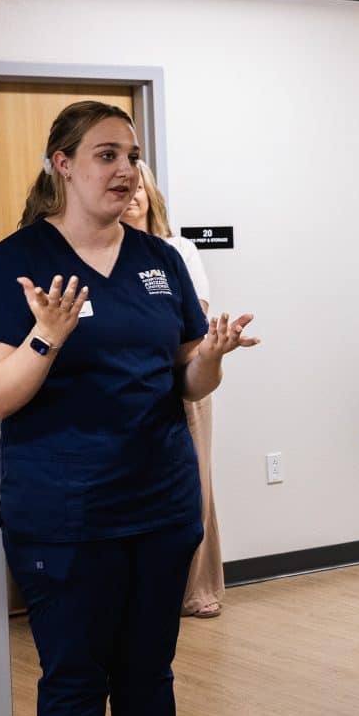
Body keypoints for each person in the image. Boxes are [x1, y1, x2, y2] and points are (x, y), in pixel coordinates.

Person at [0, 100, 258, 716]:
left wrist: (208, 354)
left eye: (132, 156)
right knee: (74, 681)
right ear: (64, 165)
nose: (125, 169)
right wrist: (47, 335)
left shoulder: (161, 259)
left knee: (148, 677)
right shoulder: (18, 260)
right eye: (107, 155)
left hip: (159, 507)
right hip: (65, 515)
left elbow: (186, 377)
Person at [121, 159, 225, 619]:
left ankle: (195, 587)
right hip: (132, 385)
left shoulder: (176, 249)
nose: (132, 194)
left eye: (139, 186)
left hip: (184, 377)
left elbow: (192, 318)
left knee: (194, 483)